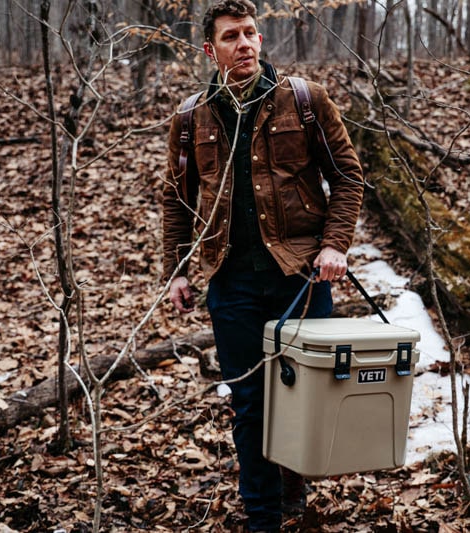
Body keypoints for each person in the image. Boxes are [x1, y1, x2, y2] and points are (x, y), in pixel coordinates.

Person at [161, 1, 365, 531]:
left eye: (251, 33)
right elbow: (177, 199)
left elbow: (348, 176)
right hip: (231, 281)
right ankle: (262, 516)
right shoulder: (191, 117)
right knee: (249, 403)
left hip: (302, 275)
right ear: (211, 49)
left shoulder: (302, 100)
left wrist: (335, 244)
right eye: (231, 36)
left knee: (304, 395)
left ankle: (293, 479)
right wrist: (178, 270)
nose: (245, 43)